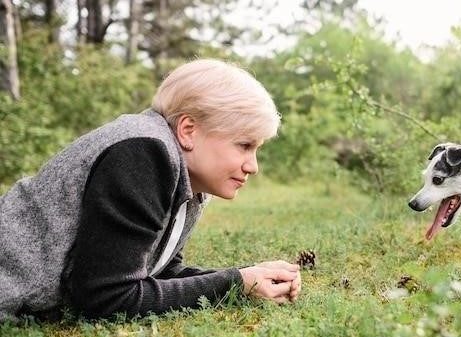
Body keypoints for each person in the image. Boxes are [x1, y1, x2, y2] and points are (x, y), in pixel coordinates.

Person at [0, 59, 302, 321]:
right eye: (244, 145)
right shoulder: (143, 153)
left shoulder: (188, 177)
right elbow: (107, 297)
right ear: (188, 130)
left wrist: (249, 276)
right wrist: (235, 283)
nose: (253, 166)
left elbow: (157, 272)